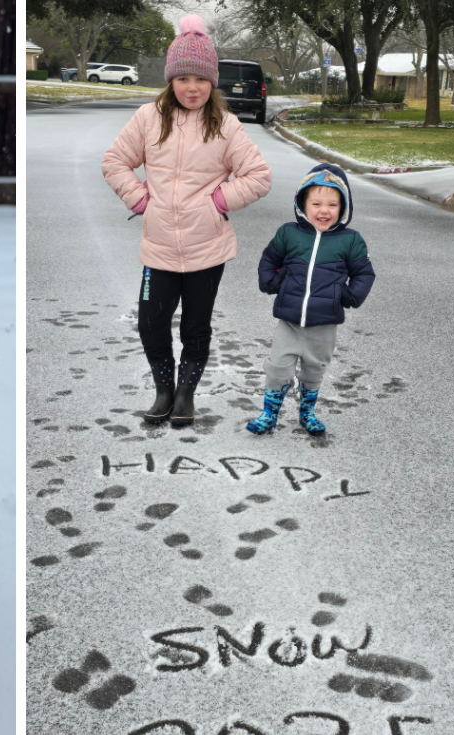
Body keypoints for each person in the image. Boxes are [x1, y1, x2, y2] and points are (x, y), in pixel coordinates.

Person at [101, 14, 272, 427]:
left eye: (200, 79)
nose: (191, 88)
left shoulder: (225, 125)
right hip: (158, 246)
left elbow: (259, 176)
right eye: (183, 79)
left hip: (207, 248)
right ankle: (162, 388)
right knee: (150, 322)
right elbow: (115, 161)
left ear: (212, 82)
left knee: (196, 327)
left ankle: (185, 394)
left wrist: (218, 199)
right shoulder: (148, 117)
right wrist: (141, 200)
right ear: (170, 80)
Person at [246, 164, 375, 437]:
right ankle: (269, 414)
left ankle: (307, 413)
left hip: (324, 324)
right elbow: (270, 259)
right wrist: (272, 282)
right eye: (316, 203)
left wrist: (348, 295)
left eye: (332, 204)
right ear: (302, 204)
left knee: (314, 370)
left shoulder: (350, 240)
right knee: (278, 367)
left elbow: (364, 272)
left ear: (343, 208)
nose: (324, 210)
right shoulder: (289, 233)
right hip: (289, 321)